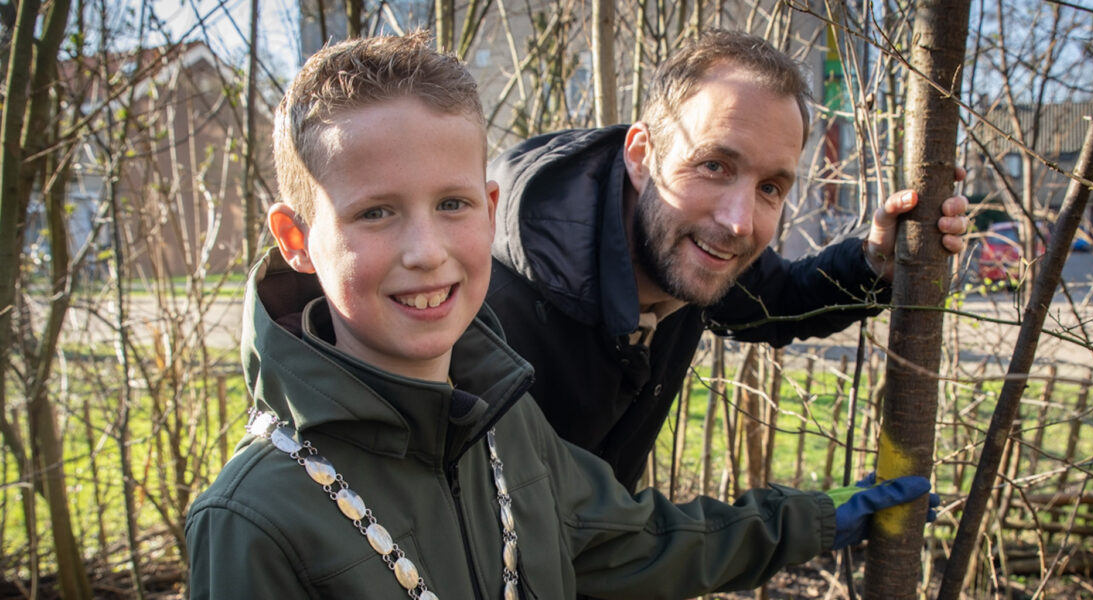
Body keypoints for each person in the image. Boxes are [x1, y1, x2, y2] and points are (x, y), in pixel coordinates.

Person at [184, 33, 937, 599]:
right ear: (296, 241)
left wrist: (823, 517)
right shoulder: (257, 523)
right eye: (375, 213)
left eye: (451, 205)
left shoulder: (506, 427)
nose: (426, 253)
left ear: (484, 207)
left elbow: (635, 537)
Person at [488, 29, 970, 491]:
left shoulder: (681, 251)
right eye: (714, 166)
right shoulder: (489, 313)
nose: (739, 222)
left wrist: (872, 263)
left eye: (770, 189)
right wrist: (815, 522)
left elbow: (781, 299)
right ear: (641, 155)